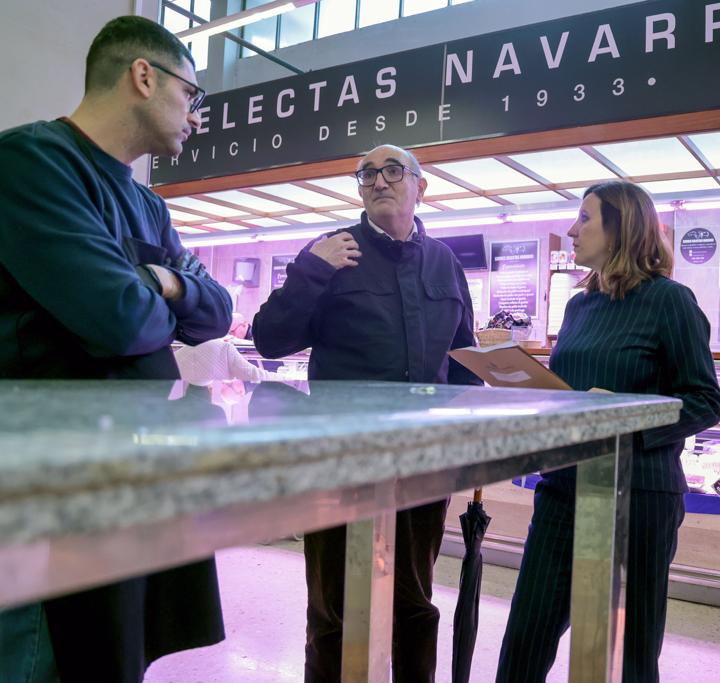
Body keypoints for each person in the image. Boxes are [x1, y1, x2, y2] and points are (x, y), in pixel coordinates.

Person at [0, 15, 232, 683]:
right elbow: (121, 320)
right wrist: (168, 293)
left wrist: (162, 279)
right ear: (143, 76)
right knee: (45, 657)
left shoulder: (148, 205)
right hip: (45, 488)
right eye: (192, 95)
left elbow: (217, 311)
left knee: (115, 654)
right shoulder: (31, 164)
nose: (195, 116)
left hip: (124, 484)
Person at [253, 143, 481, 682]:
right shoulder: (330, 250)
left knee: (414, 603)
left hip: (423, 465)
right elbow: (269, 340)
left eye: (392, 171)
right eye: (366, 174)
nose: (379, 181)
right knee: (334, 609)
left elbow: (464, 358)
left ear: (421, 186)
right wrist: (309, 271)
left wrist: (479, 424)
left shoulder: (445, 263)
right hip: (341, 462)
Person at [496, 181, 720, 682]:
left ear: (621, 228)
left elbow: (706, 401)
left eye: (584, 219)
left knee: (632, 654)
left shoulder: (670, 301)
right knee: (525, 641)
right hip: (563, 489)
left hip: (639, 495)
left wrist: (623, 416)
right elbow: (573, 389)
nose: (571, 231)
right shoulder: (579, 306)